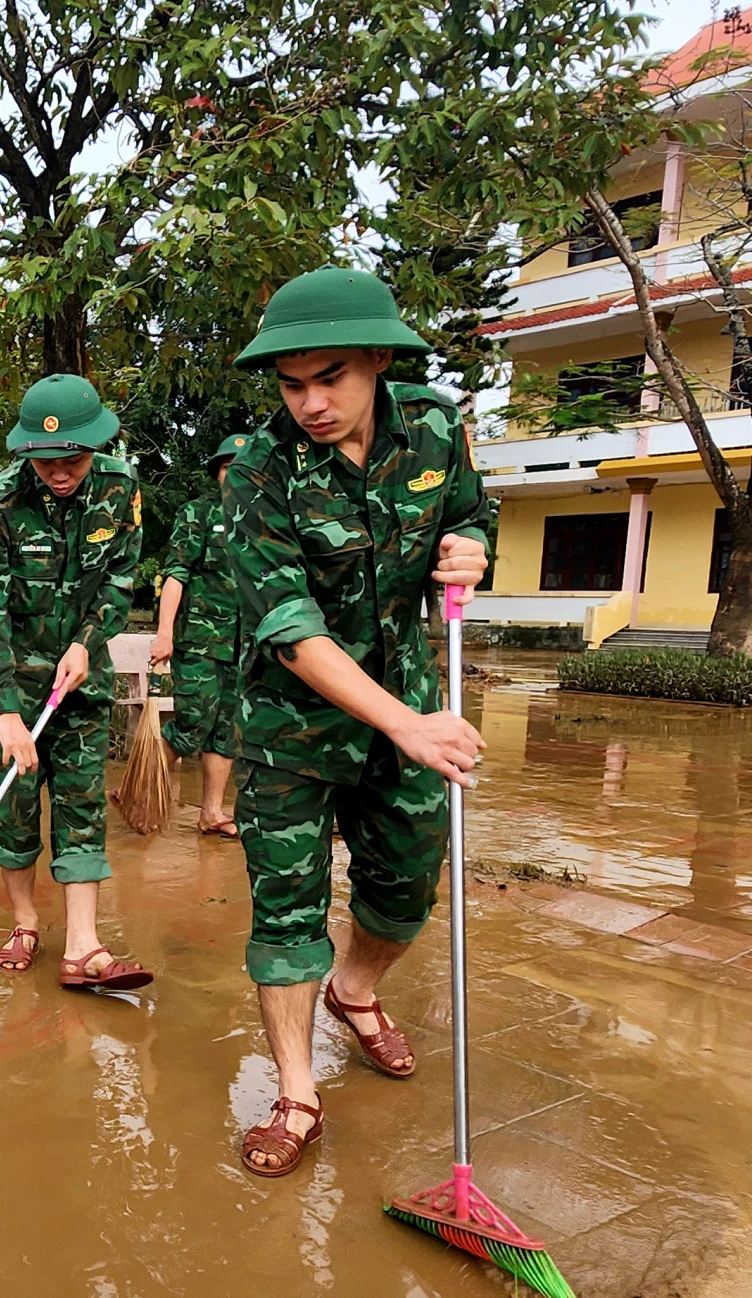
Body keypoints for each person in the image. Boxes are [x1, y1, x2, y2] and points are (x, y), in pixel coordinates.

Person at [225, 266, 490, 1179]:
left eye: (330, 377)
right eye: (292, 384)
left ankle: (356, 987)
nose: (310, 403)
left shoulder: (435, 428)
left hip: (406, 703)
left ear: (378, 359)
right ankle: (298, 1092)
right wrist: (406, 724)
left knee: (407, 885)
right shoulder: (259, 471)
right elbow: (290, 628)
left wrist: (472, 547)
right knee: (287, 912)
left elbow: (471, 512)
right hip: (290, 727)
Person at [0, 374, 150, 990]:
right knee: (15, 807)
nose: (60, 472)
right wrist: (5, 712)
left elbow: (121, 578)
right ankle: (24, 923)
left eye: (72, 459)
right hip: (12, 685)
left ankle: (83, 946)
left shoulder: (121, 488)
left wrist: (86, 642)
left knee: (82, 804)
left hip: (81, 682)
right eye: (46, 462)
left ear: (95, 445)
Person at [149, 433, 249, 836]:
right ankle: (139, 789)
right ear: (217, 473)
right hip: (201, 641)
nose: (235, 474)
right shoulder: (199, 513)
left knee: (228, 732)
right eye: (227, 467)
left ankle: (212, 813)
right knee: (192, 725)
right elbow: (176, 574)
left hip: (245, 646)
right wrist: (164, 633)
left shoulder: (266, 519)